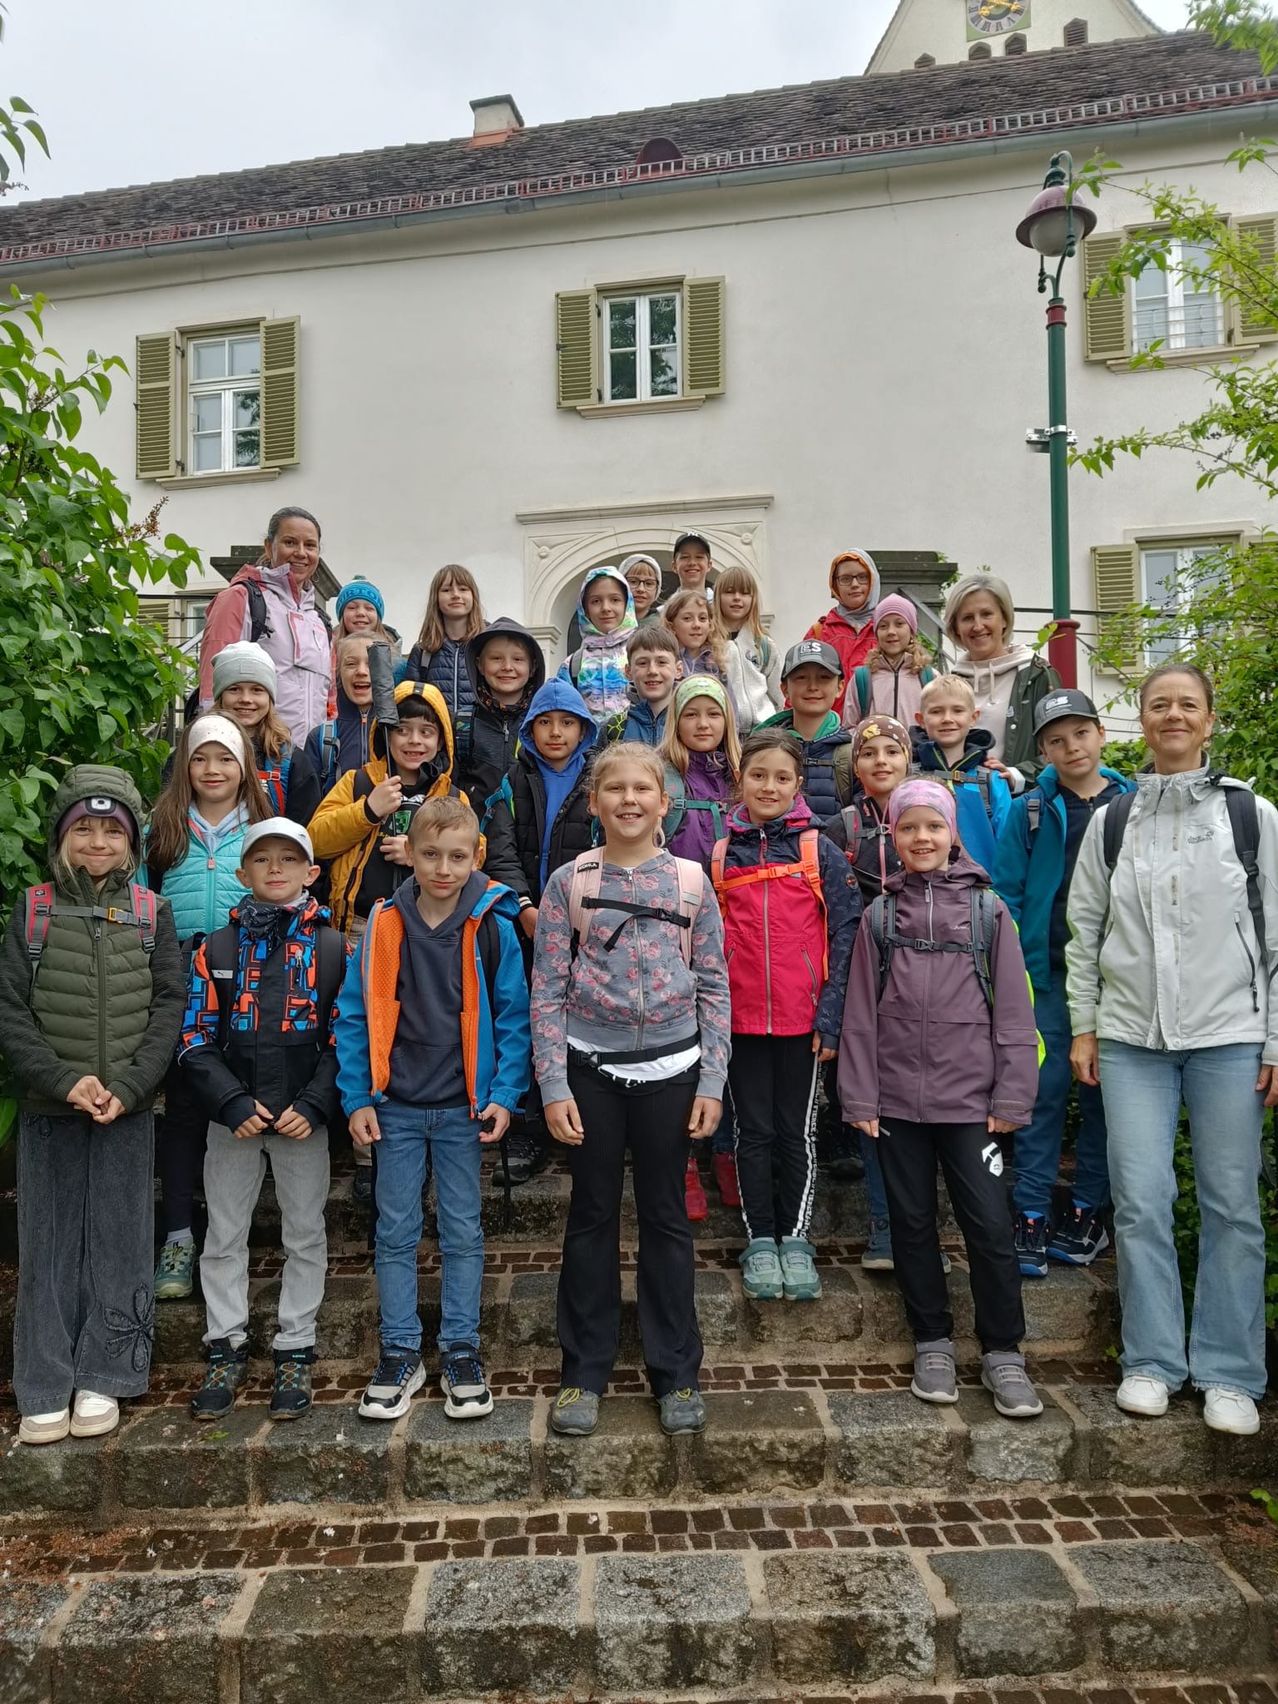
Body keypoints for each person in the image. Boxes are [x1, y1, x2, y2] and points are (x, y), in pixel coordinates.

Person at [1066, 664, 1277, 1437]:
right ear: (1143, 721)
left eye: (1189, 704)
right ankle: (1152, 1362)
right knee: (1142, 1200)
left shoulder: (1251, 815)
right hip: (1131, 1040)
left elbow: (1276, 936)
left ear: (1210, 720)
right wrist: (1085, 1026)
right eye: (1160, 705)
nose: (1174, 715)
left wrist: (1275, 1038)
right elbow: (1084, 931)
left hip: (1230, 1037)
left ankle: (1229, 1373)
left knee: (1232, 1205)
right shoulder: (1113, 821)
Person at [533, 743, 729, 1439]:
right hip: (590, 1072)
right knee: (591, 1218)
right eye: (614, 789)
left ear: (663, 804)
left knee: (666, 1219)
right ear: (594, 803)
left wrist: (713, 1079)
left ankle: (675, 1371)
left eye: (642, 789)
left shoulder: (691, 882)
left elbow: (714, 984)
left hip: (674, 1073)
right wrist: (553, 1083)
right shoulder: (569, 883)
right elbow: (547, 989)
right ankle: (583, 1369)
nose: (628, 800)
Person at [841, 779, 1043, 1419]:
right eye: (909, 828)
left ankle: (1003, 1351)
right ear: (893, 837)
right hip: (897, 1103)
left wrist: (1012, 1096)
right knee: (911, 1224)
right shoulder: (880, 916)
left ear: (952, 833)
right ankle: (932, 1340)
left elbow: (1015, 1011)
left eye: (933, 826)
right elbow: (860, 1015)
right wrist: (861, 1097)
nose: (921, 838)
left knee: (989, 1226)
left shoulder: (989, 913)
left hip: (974, 1106)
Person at [0, 769, 185, 1446]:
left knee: (119, 1241)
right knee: (47, 1247)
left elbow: (170, 1005)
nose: (98, 842)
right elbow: (10, 1009)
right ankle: (44, 1382)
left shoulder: (151, 913)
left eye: (112, 830)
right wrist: (62, 1079)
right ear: (61, 836)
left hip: (125, 1111)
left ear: (132, 841)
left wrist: (131, 1086)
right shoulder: (33, 911)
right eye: (84, 829)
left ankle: (106, 1372)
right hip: (51, 1108)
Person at [336, 798, 531, 1422]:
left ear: (476, 856)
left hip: (461, 1110)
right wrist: (357, 1096)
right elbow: (354, 1015)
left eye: (456, 856)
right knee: (394, 1231)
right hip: (394, 1106)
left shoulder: (493, 926)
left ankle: (461, 1348)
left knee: (462, 1230)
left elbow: (513, 1017)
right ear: (410, 855)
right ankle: (399, 1351)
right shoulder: (384, 924)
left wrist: (505, 1094)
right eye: (430, 855)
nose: (443, 869)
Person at [179, 819, 345, 1423]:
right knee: (224, 1234)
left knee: (305, 1232)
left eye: (289, 859)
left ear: (311, 871)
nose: (276, 869)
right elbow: (194, 1035)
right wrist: (230, 1102)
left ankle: (295, 1345)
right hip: (234, 1122)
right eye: (263, 859)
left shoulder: (332, 949)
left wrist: (315, 1104)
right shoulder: (217, 949)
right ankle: (225, 1343)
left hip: (303, 1120)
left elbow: (347, 1036)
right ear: (243, 871)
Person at [712, 729, 860, 1302]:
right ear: (740, 780)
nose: (768, 787)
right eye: (758, 775)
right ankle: (760, 1240)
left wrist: (832, 1014)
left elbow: (845, 932)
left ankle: (796, 1240)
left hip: (804, 1022)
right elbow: (707, 943)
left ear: (799, 784)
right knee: (751, 1133)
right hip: (740, 1022)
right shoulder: (722, 853)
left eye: (781, 777)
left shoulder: (818, 849)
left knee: (796, 1133)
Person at [994, 689, 1135, 1279]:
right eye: (1056, 739)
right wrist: (1015, 972)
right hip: (1047, 977)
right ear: (1043, 750)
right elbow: (1006, 892)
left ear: (1101, 734)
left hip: (1122, 980)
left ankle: (1086, 1209)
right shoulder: (1028, 809)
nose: (1071, 747)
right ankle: (1030, 1211)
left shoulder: (1133, 803)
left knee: (1105, 1096)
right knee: (1042, 1092)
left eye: (1080, 733)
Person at [144, 714, 270, 1303]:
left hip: (247, 981)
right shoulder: (163, 829)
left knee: (237, 1101)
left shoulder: (264, 829)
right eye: (200, 758)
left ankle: (227, 1236)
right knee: (184, 1109)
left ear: (244, 766)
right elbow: (141, 903)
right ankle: (177, 1234)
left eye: (225, 758)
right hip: (179, 979)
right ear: (184, 766)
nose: (213, 770)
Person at [483, 677, 598, 1184]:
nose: (556, 732)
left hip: (583, 921)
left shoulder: (595, 780)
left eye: (567, 723)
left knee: (579, 1017)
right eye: (545, 722)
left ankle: (579, 1119)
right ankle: (526, 1123)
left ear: (583, 729)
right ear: (529, 729)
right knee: (527, 1015)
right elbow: (500, 848)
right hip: (524, 921)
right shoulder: (512, 779)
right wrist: (525, 906)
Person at [825, 714, 914, 1265]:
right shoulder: (842, 827)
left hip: (928, 980)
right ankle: (884, 1225)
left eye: (892, 751)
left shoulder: (933, 815)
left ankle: (915, 1227)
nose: (881, 761)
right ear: (854, 765)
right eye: (868, 752)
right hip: (865, 978)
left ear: (909, 759)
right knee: (873, 1101)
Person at [660, 676, 743, 1217]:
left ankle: (726, 1148)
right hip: (677, 921)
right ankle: (684, 1156)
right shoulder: (665, 774)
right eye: (692, 714)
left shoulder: (740, 775)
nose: (703, 724)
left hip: (736, 922)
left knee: (724, 1030)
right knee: (681, 1036)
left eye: (713, 714)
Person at [308, 681, 469, 940]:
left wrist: (420, 854)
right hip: (359, 926)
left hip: (427, 927)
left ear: (441, 741)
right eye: (401, 730)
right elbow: (315, 841)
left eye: (426, 732)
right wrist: (368, 811)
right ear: (385, 734)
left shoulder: (452, 797)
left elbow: (473, 856)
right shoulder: (357, 782)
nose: (414, 740)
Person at [198, 506, 332, 747]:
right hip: (256, 753)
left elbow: (329, 697)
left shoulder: (319, 620)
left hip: (310, 760)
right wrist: (213, 742)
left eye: (310, 545)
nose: (301, 553)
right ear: (269, 547)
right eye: (290, 542)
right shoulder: (240, 599)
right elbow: (212, 683)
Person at [943, 572, 1059, 792]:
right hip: (961, 802)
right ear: (956, 626)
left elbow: (1062, 746)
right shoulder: (949, 684)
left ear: (1004, 619)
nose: (978, 626)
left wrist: (1016, 775)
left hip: (1020, 804)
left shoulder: (1037, 674)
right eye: (967, 618)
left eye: (986, 614)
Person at [211, 641, 321, 825]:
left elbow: (304, 832)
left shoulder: (293, 763)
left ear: (269, 698)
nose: (246, 699)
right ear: (220, 696)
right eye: (234, 689)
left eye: (257, 690)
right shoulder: (192, 752)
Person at [911, 674, 1012, 874]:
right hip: (922, 889)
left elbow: (1009, 845)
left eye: (957, 710)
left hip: (982, 887)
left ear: (973, 717)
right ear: (921, 720)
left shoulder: (991, 780)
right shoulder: (909, 778)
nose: (947, 719)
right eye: (936, 711)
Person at [759, 641, 852, 825]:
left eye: (824, 677)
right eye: (801, 677)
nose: (812, 687)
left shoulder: (852, 754)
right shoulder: (762, 750)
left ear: (840, 687)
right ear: (784, 688)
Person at [457, 618, 545, 810]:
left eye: (518, 659)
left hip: (528, 826)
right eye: (496, 658)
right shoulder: (462, 724)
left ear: (532, 667)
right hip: (475, 825)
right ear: (480, 665)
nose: (507, 667)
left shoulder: (542, 722)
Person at [405, 565, 485, 726]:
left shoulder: (486, 645)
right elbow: (412, 703)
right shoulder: (423, 651)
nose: (455, 595)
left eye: (463, 589)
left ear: (473, 596)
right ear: (436, 598)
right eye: (446, 590)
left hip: (480, 736)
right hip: (437, 735)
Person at [803, 550, 880, 716]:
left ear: (873, 580)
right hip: (830, 727)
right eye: (845, 579)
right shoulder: (820, 632)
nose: (855, 584)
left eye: (862, 577)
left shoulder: (887, 628)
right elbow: (800, 683)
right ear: (835, 585)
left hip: (879, 728)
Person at [843, 594, 936, 727]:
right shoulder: (862, 679)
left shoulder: (930, 678)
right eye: (883, 626)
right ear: (876, 633)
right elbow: (849, 728)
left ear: (911, 631)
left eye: (899, 624)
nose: (891, 631)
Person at [561, 567, 637, 726]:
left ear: (627, 604)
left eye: (615, 600)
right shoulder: (572, 664)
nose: (606, 608)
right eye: (596, 601)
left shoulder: (642, 654)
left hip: (637, 741)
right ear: (585, 610)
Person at [661, 590, 746, 727]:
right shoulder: (663, 663)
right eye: (687, 619)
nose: (696, 625)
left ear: (710, 624)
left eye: (702, 618)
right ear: (672, 626)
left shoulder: (716, 664)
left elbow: (731, 713)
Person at [305, 631, 376, 796]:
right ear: (338, 673)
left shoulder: (399, 733)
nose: (361, 671)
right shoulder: (320, 739)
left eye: (372, 663)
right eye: (350, 664)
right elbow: (310, 806)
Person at [713, 567, 782, 730]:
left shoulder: (764, 644)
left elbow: (778, 693)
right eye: (729, 592)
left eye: (745, 593)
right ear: (717, 597)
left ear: (753, 599)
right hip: (726, 731)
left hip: (763, 731)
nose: (737, 598)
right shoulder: (710, 643)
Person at [605, 626, 679, 747]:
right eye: (643, 663)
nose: (652, 671)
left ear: (678, 669)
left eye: (661, 662)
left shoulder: (687, 722)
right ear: (628, 671)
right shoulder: (615, 727)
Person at [668, 531, 716, 600]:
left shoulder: (721, 605)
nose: (692, 563)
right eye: (685, 557)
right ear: (674, 566)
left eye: (699, 557)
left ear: (709, 565)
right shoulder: (667, 607)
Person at [620, 553, 664, 626]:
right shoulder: (605, 624)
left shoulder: (665, 627)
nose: (641, 589)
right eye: (633, 581)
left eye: (649, 583)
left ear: (657, 589)